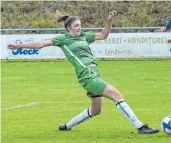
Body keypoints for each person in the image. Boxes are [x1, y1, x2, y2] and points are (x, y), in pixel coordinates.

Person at [7, 10, 159, 134]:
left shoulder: (85, 36)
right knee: (117, 95)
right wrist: (18, 45)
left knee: (96, 110)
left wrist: (109, 21)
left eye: (80, 25)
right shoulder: (63, 39)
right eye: (76, 25)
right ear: (68, 28)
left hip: (95, 74)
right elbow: (40, 44)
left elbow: (104, 35)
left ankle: (67, 126)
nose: (79, 27)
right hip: (87, 76)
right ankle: (140, 127)